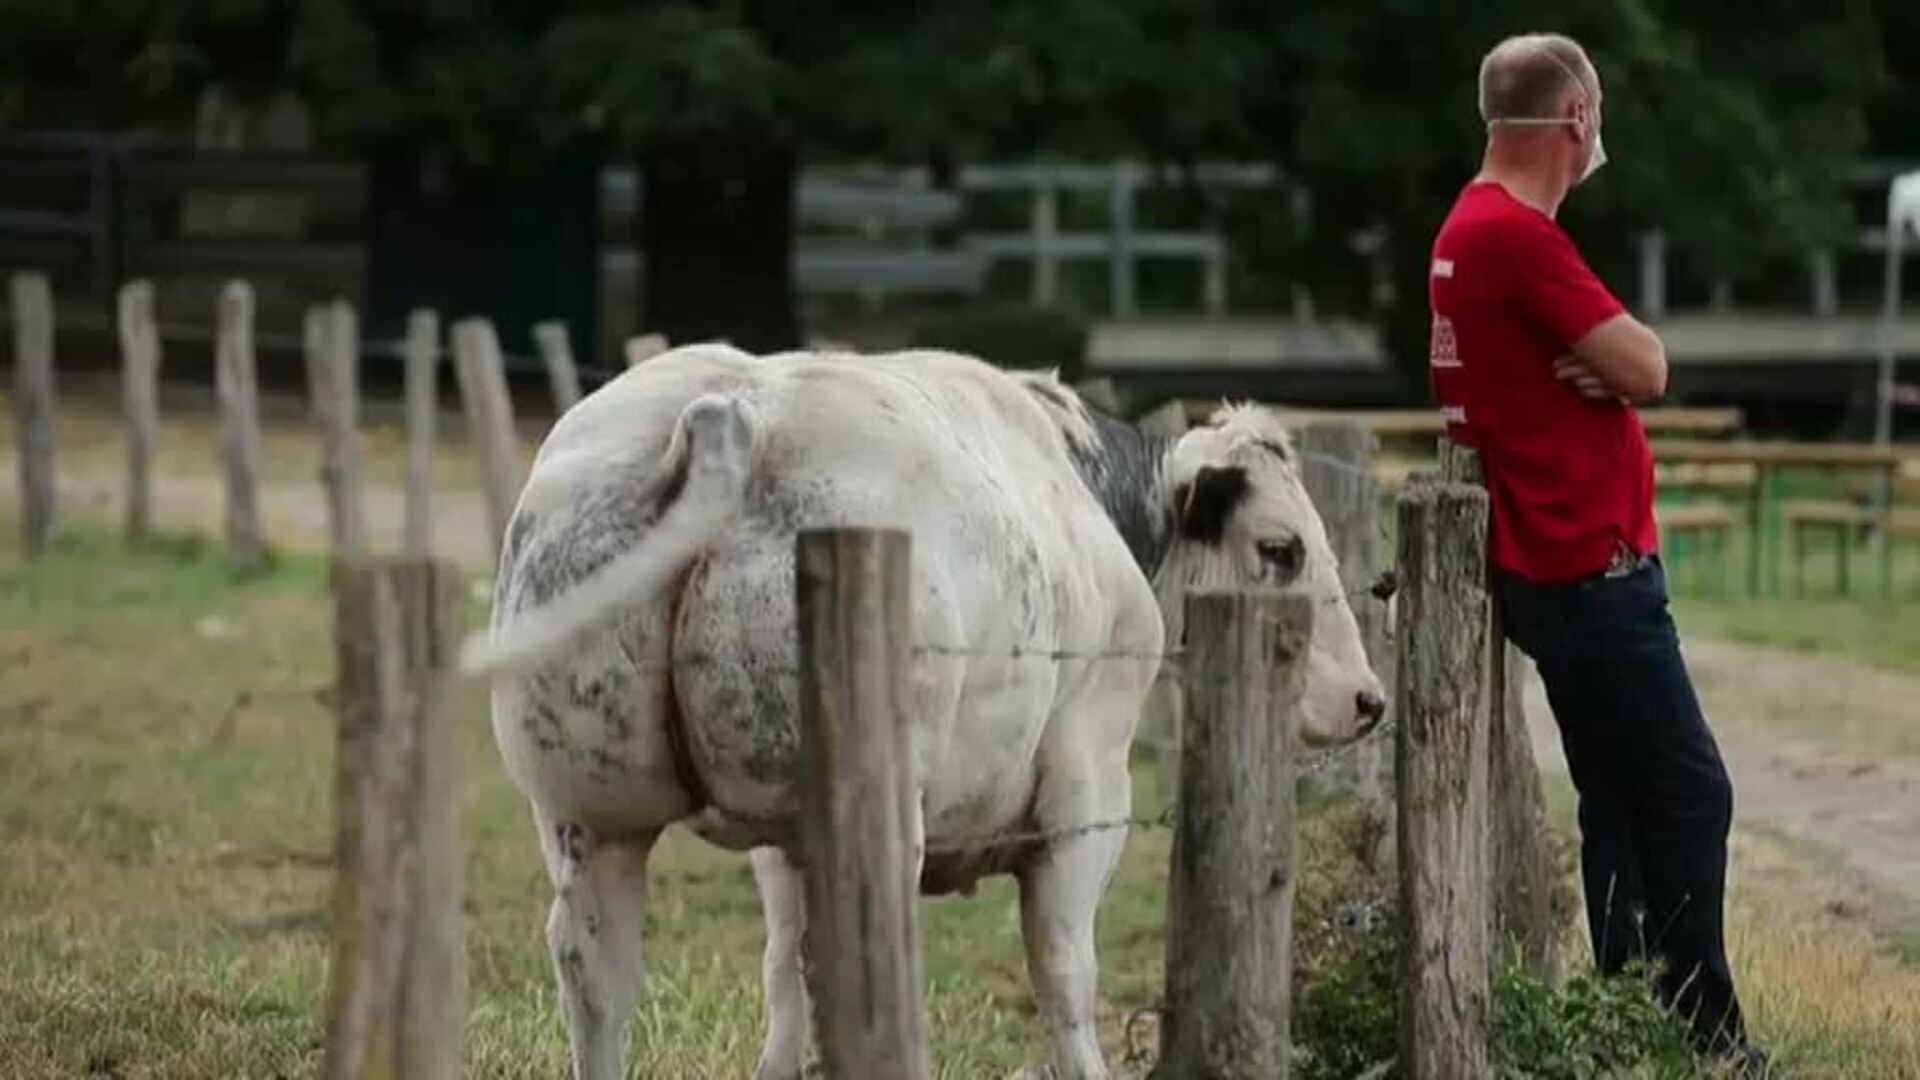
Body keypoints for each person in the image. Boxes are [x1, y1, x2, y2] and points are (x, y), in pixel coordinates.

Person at [1427, 31, 1764, 1073]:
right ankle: (1706, 1036)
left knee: (1616, 805)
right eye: (1598, 114)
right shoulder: (1517, 237)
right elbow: (1650, 364)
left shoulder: (1462, 230)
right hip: (1591, 569)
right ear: (1576, 118)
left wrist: (1594, 365)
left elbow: (1588, 368)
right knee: (1692, 794)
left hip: (1555, 568)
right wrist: (1609, 364)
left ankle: (1620, 1022)